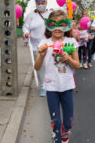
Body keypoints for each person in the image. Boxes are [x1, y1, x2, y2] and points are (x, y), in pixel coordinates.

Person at [34, 9, 79, 143]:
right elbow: (36, 67)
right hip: (51, 87)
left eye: (61, 24)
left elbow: (77, 65)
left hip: (67, 86)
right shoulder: (45, 43)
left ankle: (66, 130)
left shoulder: (70, 42)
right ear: (49, 26)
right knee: (55, 120)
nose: (58, 28)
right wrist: (41, 56)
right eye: (54, 24)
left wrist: (68, 59)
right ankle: (57, 137)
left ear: (66, 26)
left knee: (68, 121)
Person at [23, 0, 51, 96]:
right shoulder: (31, 15)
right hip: (35, 45)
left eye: (42, 3)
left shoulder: (51, 14)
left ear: (46, 3)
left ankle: (50, 83)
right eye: (38, 3)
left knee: (49, 64)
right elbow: (25, 27)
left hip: (49, 44)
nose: (40, 5)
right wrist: (26, 33)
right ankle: (43, 85)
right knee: (40, 66)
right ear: (35, 3)